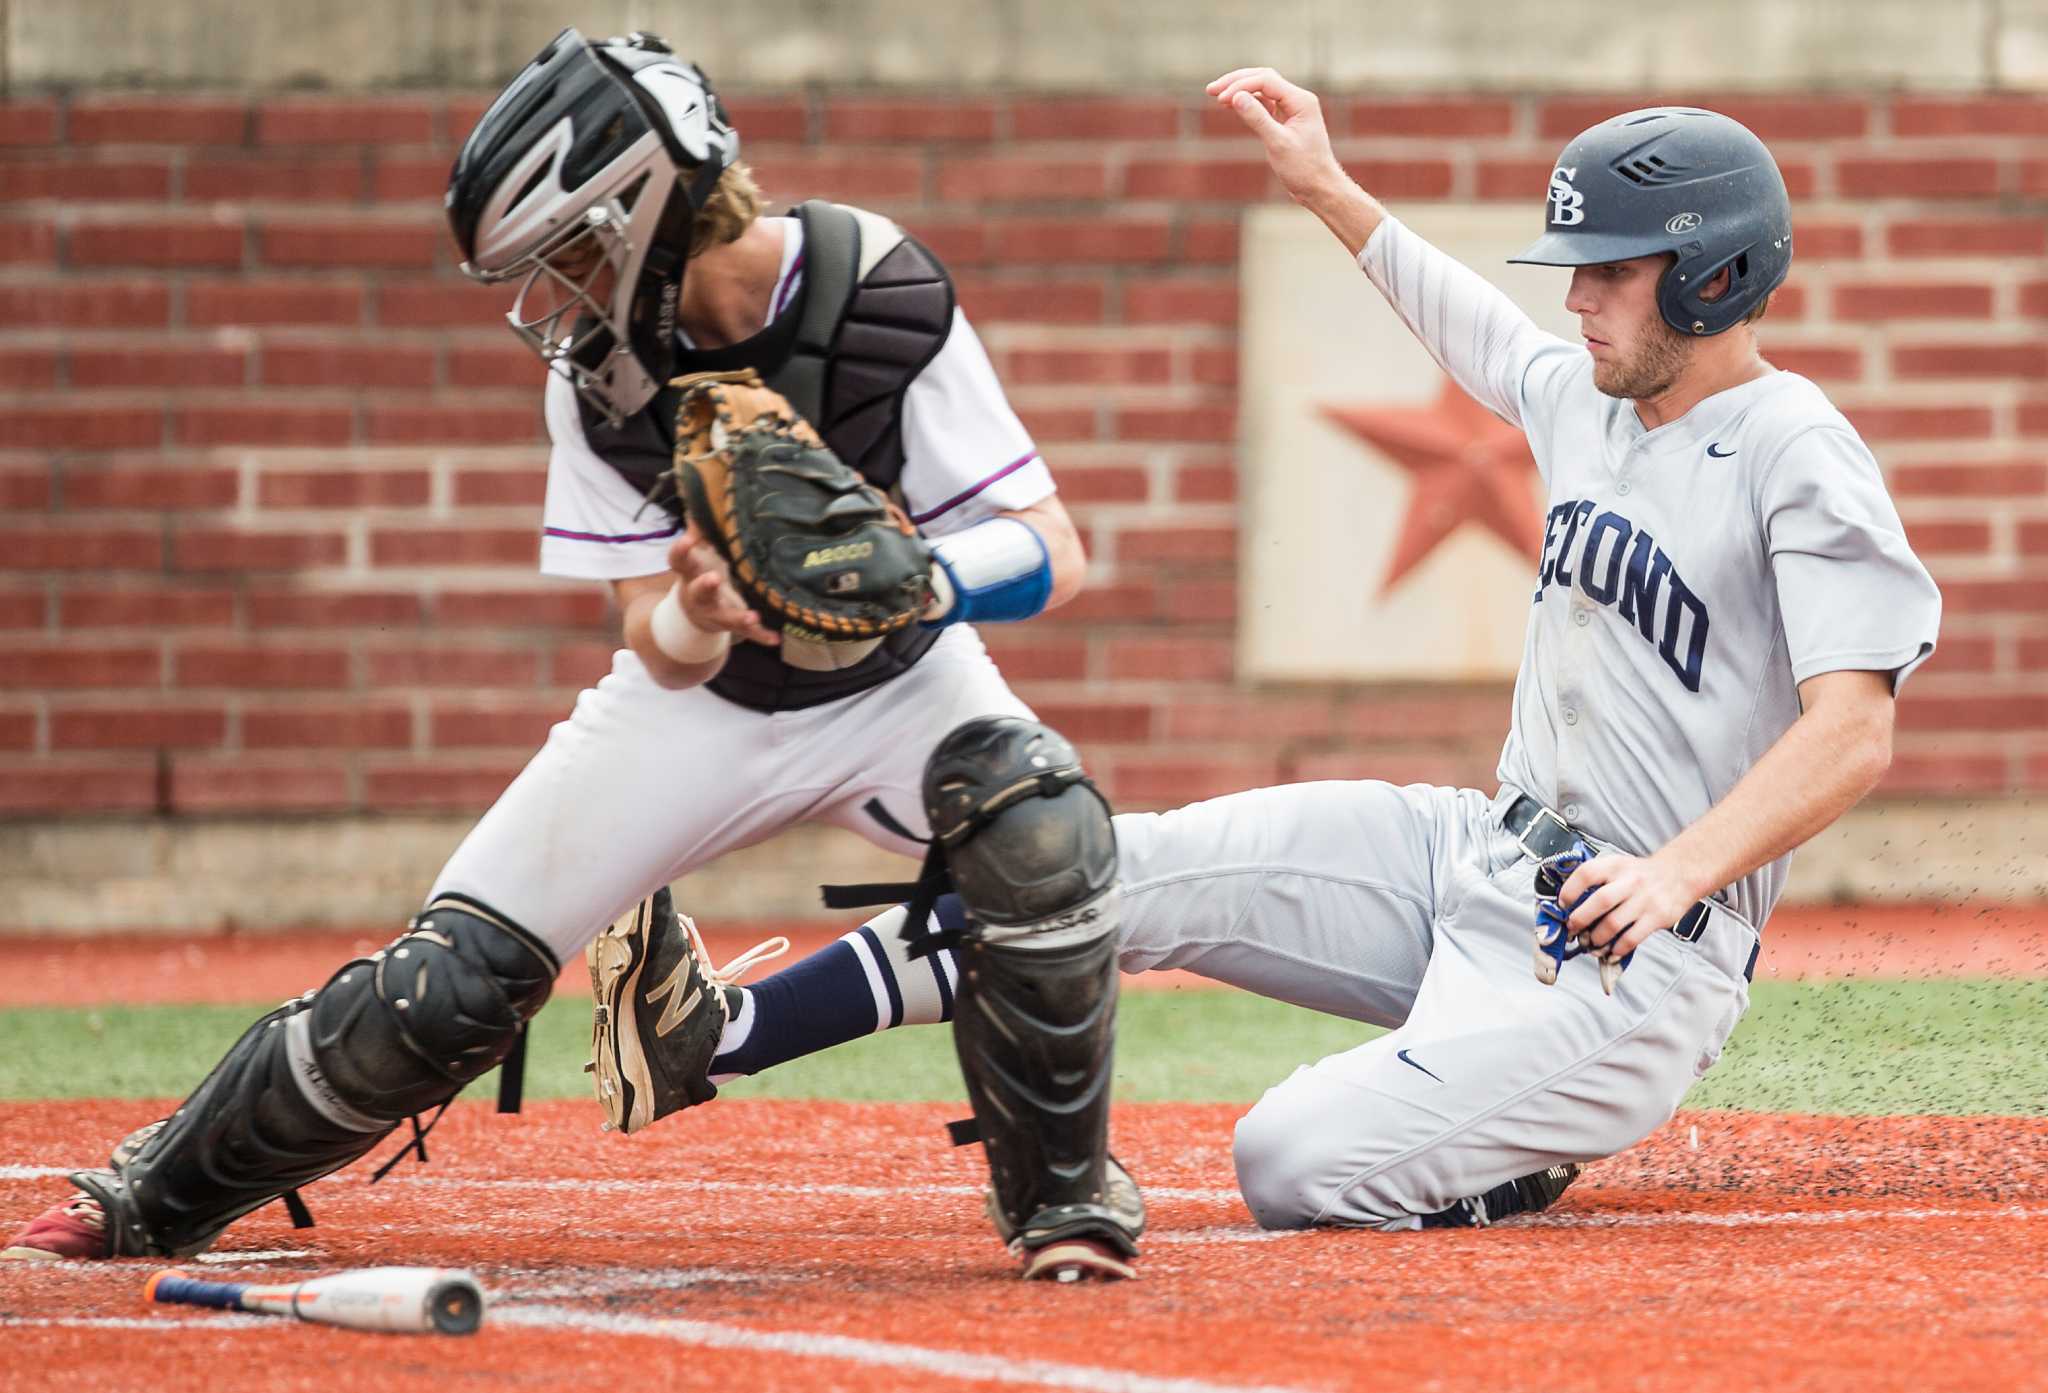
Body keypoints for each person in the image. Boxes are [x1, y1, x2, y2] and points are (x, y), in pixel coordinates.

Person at [589, 68, 1942, 1232]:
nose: (1580, 297)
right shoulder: (1596, 402)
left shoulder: (1795, 451)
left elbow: (1854, 727)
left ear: (1715, 276)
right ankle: (725, 1034)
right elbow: (1474, 324)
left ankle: (1517, 1141)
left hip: (1632, 951)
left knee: (1288, 1159)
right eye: (1578, 268)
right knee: (1091, 864)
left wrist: (1677, 871)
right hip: (1473, 853)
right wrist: (1324, 182)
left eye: (1616, 270)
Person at [3, 27, 1141, 1280]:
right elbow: (651, 647)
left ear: (646, 212)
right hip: (705, 713)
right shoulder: (601, 378)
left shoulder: (871, 286)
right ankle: (158, 1190)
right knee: (446, 989)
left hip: (904, 679)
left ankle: (1063, 1199)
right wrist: (703, 608)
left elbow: (1050, 550)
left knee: (1038, 821)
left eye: (572, 248)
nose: (558, 285)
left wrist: (924, 579)